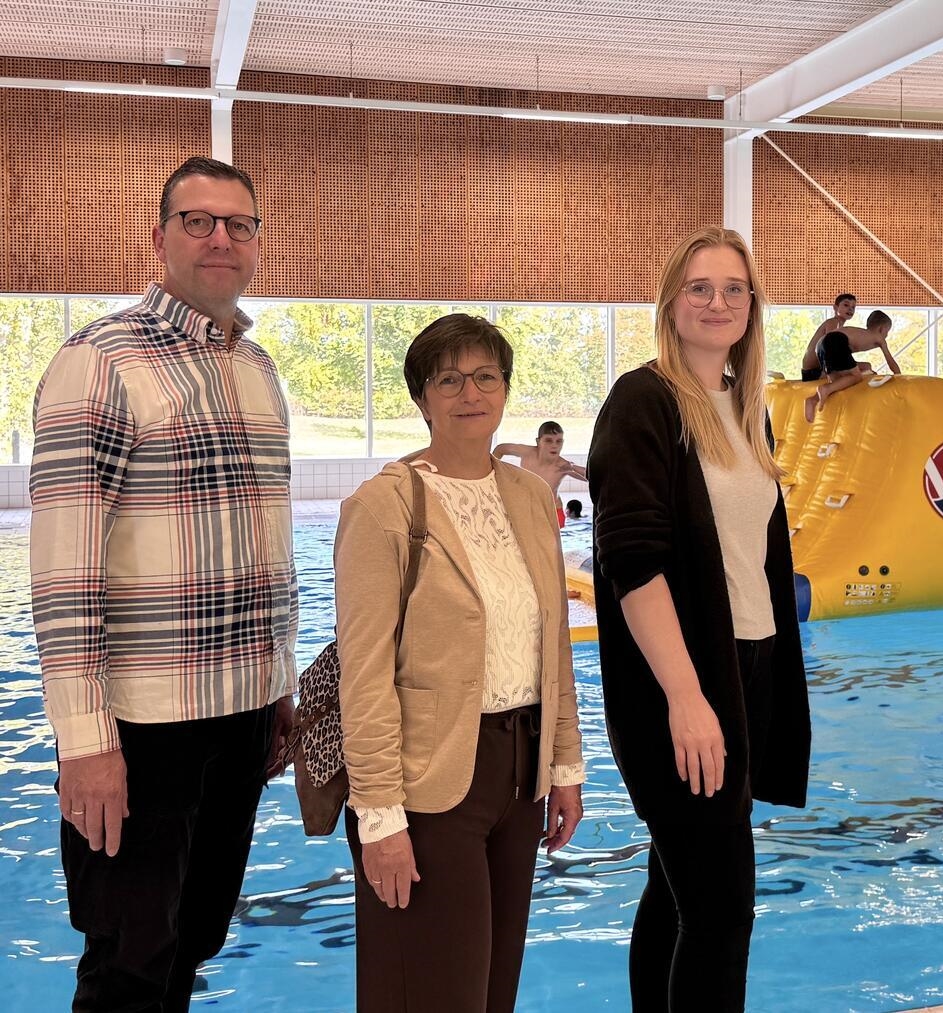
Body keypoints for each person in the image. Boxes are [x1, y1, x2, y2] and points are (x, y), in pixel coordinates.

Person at [28, 156, 297, 1010]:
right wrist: (83, 739)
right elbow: (64, 569)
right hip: (143, 727)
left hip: (243, 711)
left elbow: (265, 545)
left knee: (198, 936)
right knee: (128, 960)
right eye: (199, 220)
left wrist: (279, 689)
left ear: (256, 243)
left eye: (240, 223)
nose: (222, 237)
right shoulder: (100, 360)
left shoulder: (258, 372)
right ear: (160, 237)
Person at [589, 226, 812, 1011]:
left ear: (752, 307)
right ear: (671, 302)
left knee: (676, 886)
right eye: (699, 287)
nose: (718, 302)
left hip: (744, 669)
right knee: (721, 910)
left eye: (733, 289)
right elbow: (632, 562)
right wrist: (687, 697)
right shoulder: (643, 401)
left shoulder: (745, 406)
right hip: (678, 683)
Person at [336, 313, 584, 1012]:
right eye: (449, 379)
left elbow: (552, 642)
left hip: (518, 774)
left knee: (490, 990)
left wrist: (562, 767)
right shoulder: (385, 506)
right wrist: (380, 817)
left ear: (505, 390)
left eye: (485, 376)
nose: (469, 392)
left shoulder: (531, 498)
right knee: (431, 993)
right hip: (429, 782)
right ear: (422, 397)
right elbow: (365, 672)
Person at [803, 310, 900, 422]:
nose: (886, 335)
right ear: (882, 329)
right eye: (887, 332)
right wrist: (899, 376)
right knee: (856, 376)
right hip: (836, 341)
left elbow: (844, 356)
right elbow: (890, 361)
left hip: (821, 345)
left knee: (837, 383)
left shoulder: (859, 333)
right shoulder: (879, 338)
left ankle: (813, 400)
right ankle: (824, 389)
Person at [494, 421, 587, 527]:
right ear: (538, 441)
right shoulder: (527, 452)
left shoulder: (562, 466)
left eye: (559, 441)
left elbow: (592, 476)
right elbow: (501, 449)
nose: (554, 445)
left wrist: (573, 467)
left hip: (552, 513)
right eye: (548, 440)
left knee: (549, 543)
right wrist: (493, 472)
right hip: (528, 510)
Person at [799, 292, 857, 380]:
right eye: (846, 305)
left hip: (815, 370)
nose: (850, 309)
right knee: (865, 367)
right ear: (835, 307)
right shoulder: (833, 322)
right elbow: (831, 350)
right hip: (813, 372)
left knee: (864, 367)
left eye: (853, 307)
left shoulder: (839, 326)